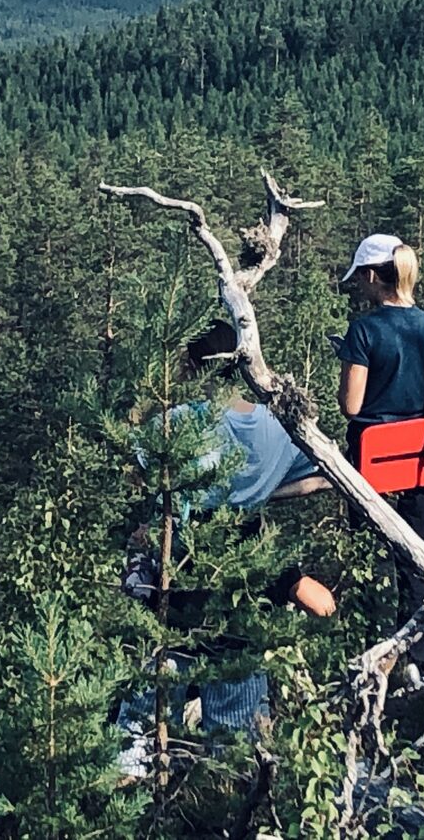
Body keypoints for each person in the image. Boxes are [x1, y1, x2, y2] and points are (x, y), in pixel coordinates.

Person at [116, 321, 335, 773]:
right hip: (240, 581)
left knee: (143, 729)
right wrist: (260, 492)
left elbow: (137, 476)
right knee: (236, 748)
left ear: (194, 366)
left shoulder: (176, 422)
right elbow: (321, 475)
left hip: (175, 582)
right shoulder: (275, 427)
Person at [335, 233, 424, 547]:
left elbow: (351, 406)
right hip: (418, 452)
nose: (359, 285)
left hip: (372, 455)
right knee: (419, 552)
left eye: (359, 277)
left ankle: (372, 598)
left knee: (369, 551)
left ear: (371, 275)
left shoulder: (363, 330)